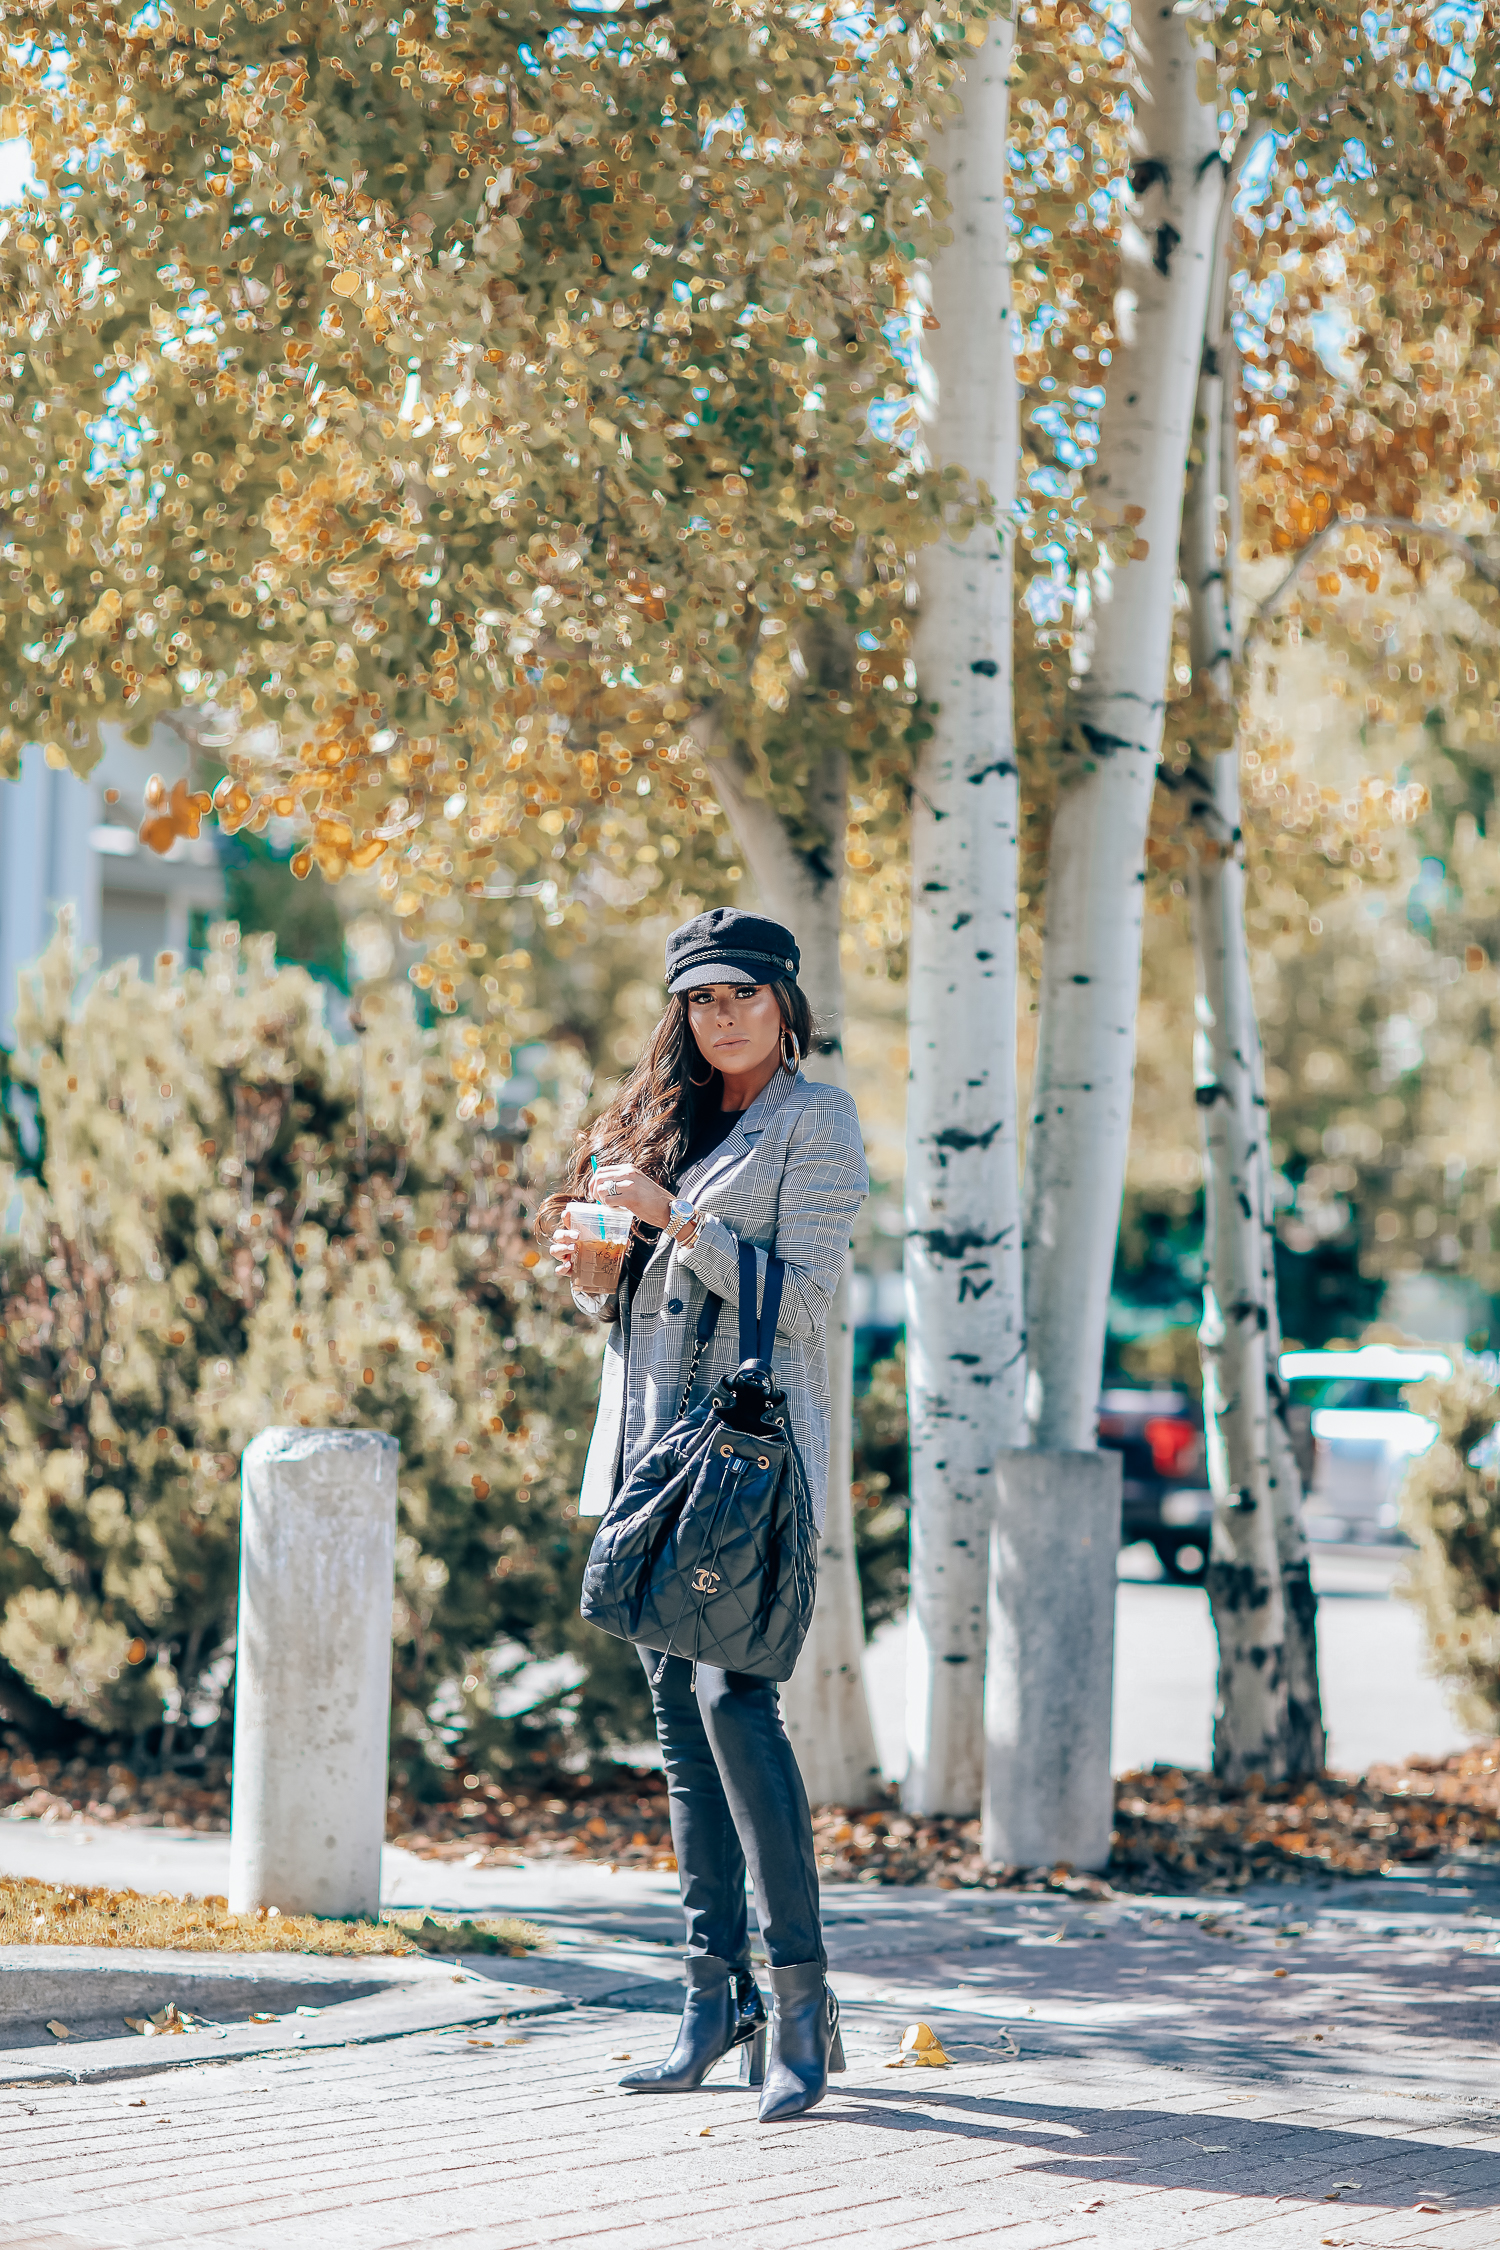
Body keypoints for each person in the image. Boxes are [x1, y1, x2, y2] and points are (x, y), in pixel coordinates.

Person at [541, 907, 869, 2123]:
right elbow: (631, 1311)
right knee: (679, 1722)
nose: (720, 1015)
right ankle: (707, 1999)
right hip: (646, 1455)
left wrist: (676, 1217)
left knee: (739, 1702)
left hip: (746, 1462)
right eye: (699, 998)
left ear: (786, 1002)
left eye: (741, 992)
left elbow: (806, 1299)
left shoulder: (815, 1120)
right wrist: (596, 1275)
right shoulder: (663, 1122)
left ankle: (800, 2003)